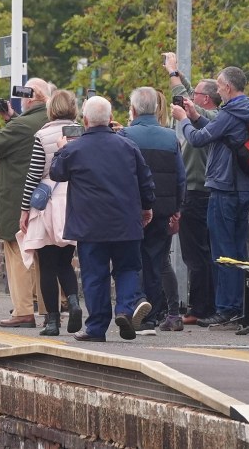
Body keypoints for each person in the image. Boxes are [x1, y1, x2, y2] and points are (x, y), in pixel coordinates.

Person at [50, 96, 156, 342]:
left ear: (85, 120)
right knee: (128, 268)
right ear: (110, 119)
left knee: (94, 275)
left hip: (90, 225)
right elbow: (146, 180)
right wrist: (147, 207)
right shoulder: (128, 146)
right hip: (125, 221)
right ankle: (124, 310)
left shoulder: (73, 150)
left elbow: (56, 173)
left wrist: (61, 148)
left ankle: (96, 328)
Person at [172, 65, 249, 327]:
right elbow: (216, 132)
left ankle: (226, 309)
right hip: (241, 187)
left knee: (223, 253)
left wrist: (183, 121)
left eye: (221, 85)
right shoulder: (246, 110)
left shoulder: (231, 112)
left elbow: (200, 140)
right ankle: (235, 307)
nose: (219, 89)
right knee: (236, 249)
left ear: (229, 88)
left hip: (224, 188)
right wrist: (195, 116)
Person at [0, 79, 51, 328]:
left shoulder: (23, 124)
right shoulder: (50, 121)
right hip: (47, 198)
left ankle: (22, 310)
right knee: (45, 253)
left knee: (18, 251)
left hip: (18, 196)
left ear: (30, 98)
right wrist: (12, 118)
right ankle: (47, 306)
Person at [16, 89, 81, 336]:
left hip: (48, 201)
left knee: (46, 265)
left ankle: (52, 321)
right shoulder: (82, 134)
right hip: (74, 200)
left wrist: (24, 210)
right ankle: (74, 302)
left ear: (51, 109)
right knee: (65, 261)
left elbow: (33, 175)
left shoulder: (42, 136)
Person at [122, 87, 186, 334]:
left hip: (133, 211)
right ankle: (154, 315)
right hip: (163, 209)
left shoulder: (126, 135)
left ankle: (137, 305)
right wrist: (177, 209)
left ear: (134, 109)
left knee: (132, 260)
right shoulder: (170, 138)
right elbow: (181, 178)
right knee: (157, 261)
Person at [164, 53, 220, 325]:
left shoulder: (209, 117)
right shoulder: (215, 115)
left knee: (195, 254)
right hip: (204, 193)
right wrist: (175, 73)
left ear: (206, 99)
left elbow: (184, 100)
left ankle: (200, 308)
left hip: (197, 194)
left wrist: (173, 72)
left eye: (195, 94)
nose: (190, 97)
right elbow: (187, 94)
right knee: (202, 252)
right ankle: (206, 305)